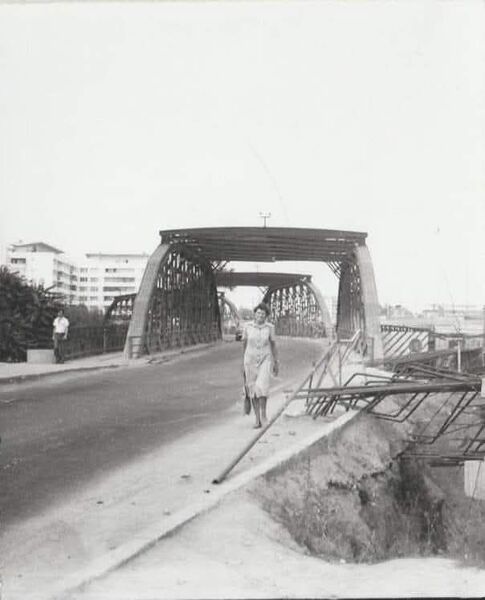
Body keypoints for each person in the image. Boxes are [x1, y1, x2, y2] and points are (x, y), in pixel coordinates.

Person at [242, 302, 279, 429]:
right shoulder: (247, 326)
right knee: (253, 389)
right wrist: (243, 362)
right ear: (255, 314)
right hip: (250, 360)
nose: (260, 316)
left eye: (263, 314)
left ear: (266, 316)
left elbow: (273, 345)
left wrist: (276, 361)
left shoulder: (270, 328)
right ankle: (257, 418)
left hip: (265, 359)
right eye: (258, 313)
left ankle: (263, 414)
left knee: (262, 387)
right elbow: (244, 344)